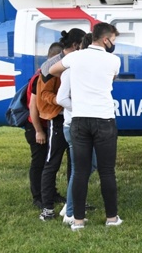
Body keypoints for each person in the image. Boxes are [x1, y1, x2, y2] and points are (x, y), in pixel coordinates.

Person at [50, 22, 122, 230]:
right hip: (104, 119)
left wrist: (77, 75)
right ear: (106, 39)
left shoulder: (75, 57)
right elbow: (112, 77)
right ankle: (111, 218)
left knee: (80, 171)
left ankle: (78, 221)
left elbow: (52, 70)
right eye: (113, 40)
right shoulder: (113, 60)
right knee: (107, 171)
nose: (113, 44)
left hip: (79, 120)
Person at [37, 28, 86, 221]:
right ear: (76, 45)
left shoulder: (79, 61)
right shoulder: (50, 66)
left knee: (75, 164)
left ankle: (72, 203)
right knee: (52, 163)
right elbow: (43, 95)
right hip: (58, 120)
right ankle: (47, 207)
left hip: (76, 118)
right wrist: (63, 100)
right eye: (84, 44)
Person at [56, 33, 99, 225]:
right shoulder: (70, 70)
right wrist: (81, 108)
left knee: (90, 165)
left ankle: (69, 206)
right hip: (74, 125)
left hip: (86, 124)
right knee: (80, 169)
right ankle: (70, 213)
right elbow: (61, 98)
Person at [24, 42, 62, 210]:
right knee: (39, 163)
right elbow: (33, 107)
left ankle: (51, 193)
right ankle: (38, 196)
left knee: (49, 162)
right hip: (37, 127)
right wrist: (39, 131)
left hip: (49, 125)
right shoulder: (39, 78)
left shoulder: (51, 75)